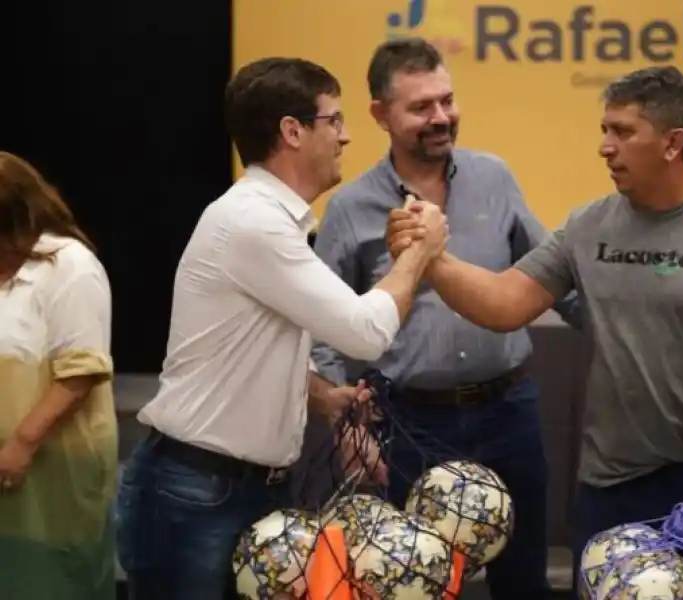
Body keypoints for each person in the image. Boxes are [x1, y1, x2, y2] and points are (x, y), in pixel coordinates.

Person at [387, 65, 683, 595]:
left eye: (623, 131)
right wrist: (430, 258)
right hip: (608, 486)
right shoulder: (589, 225)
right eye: (604, 130)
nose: (605, 147)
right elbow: (504, 303)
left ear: (673, 142)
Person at [115, 57, 447, 600]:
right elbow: (365, 333)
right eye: (333, 120)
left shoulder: (266, 219)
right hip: (199, 490)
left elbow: (248, 345)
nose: (344, 136)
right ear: (292, 131)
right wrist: (420, 253)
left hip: (233, 488)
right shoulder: (256, 222)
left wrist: (321, 395)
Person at [311, 37, 580, 600]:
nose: (442, 117)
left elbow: (552, 277)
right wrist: (344, 422)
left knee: (523, 578)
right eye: (421, 107)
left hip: (510, 412)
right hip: (410, 424)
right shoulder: (351, 208)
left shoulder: (495, 177)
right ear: (381, 116)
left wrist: (618, 325)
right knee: (414, 584)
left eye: (447, 100)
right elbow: (321, 329)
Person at [0, 152, 117, 599]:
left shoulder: (69, 266)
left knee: (51, 580)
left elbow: (80, 372)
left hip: (53, 468)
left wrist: (22, 443)